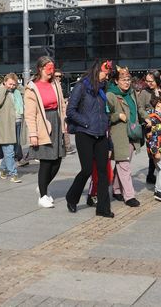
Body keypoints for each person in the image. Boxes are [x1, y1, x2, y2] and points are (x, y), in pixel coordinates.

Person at [65, 60, 112, 217]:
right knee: (86, 170)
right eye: (105, 73)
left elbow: (104, 112)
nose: (107, 76)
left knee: (103, 171)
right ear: (97, 71)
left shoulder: (103, 89)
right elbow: (70, 111)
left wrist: (106, 125)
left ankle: (103, 208)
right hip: (84, 133)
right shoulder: (81, 87)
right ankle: (72, 197)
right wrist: (86, 123)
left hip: (101, 134)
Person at [25, 57, 67, 207]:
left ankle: (43, 186)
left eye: (52, 69)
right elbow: (30, 113)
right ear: (40, 69)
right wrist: (33, 133)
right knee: (46, 161)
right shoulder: (32, 88)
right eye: (47, 69)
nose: (51, 72)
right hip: (43, 124)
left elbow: (62, 104)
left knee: (58, 159)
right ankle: (43, 195)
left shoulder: (55, 84)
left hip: (56, 121)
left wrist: (64, 122)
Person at [106, 66, 150, 207]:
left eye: (128, 79)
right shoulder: (110, 95)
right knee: (124, 165)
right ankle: (129, 196)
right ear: (116, 81)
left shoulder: (131, 93)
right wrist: (117, 116)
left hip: (133, 133)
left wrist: (146, 117)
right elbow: (105, 116)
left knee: (122, 163)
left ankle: (116, 189)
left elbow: (139, 109)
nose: (127, 82)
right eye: (123, 80)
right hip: (119, 136)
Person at [0, 73, 25, 183]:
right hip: (6, 125)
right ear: (5, 82)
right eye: (10, 84)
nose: (11, 86)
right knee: (9, 151)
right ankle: (13, 174)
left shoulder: (16, 91)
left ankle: (2, 168)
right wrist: (4, 88)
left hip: (17, 123)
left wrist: (17, 85)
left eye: (14, 84)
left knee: (13, 150)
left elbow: (25, 90)